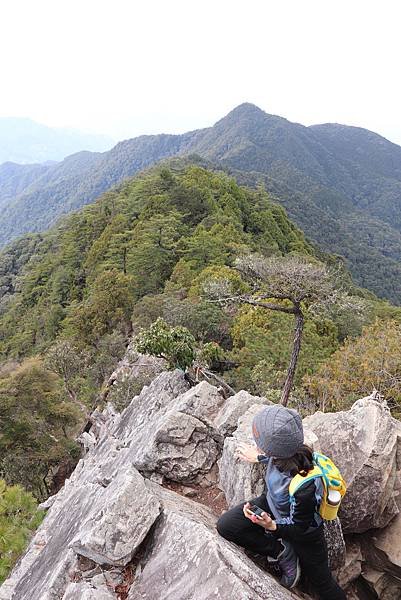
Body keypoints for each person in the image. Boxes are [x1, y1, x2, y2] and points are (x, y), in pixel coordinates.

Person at [216, 404, 346, 600]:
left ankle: (290, 551)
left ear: (275, 449)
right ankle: (283, 552)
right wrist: (260, 457)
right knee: (227, 526)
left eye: (259, 441)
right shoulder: (285, 453)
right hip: (274, 506)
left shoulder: (304, 488)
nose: (255, 442)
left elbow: (301, 527)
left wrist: (272, 525)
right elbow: (278, 460)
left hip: (305, 534)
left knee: (322, 583)